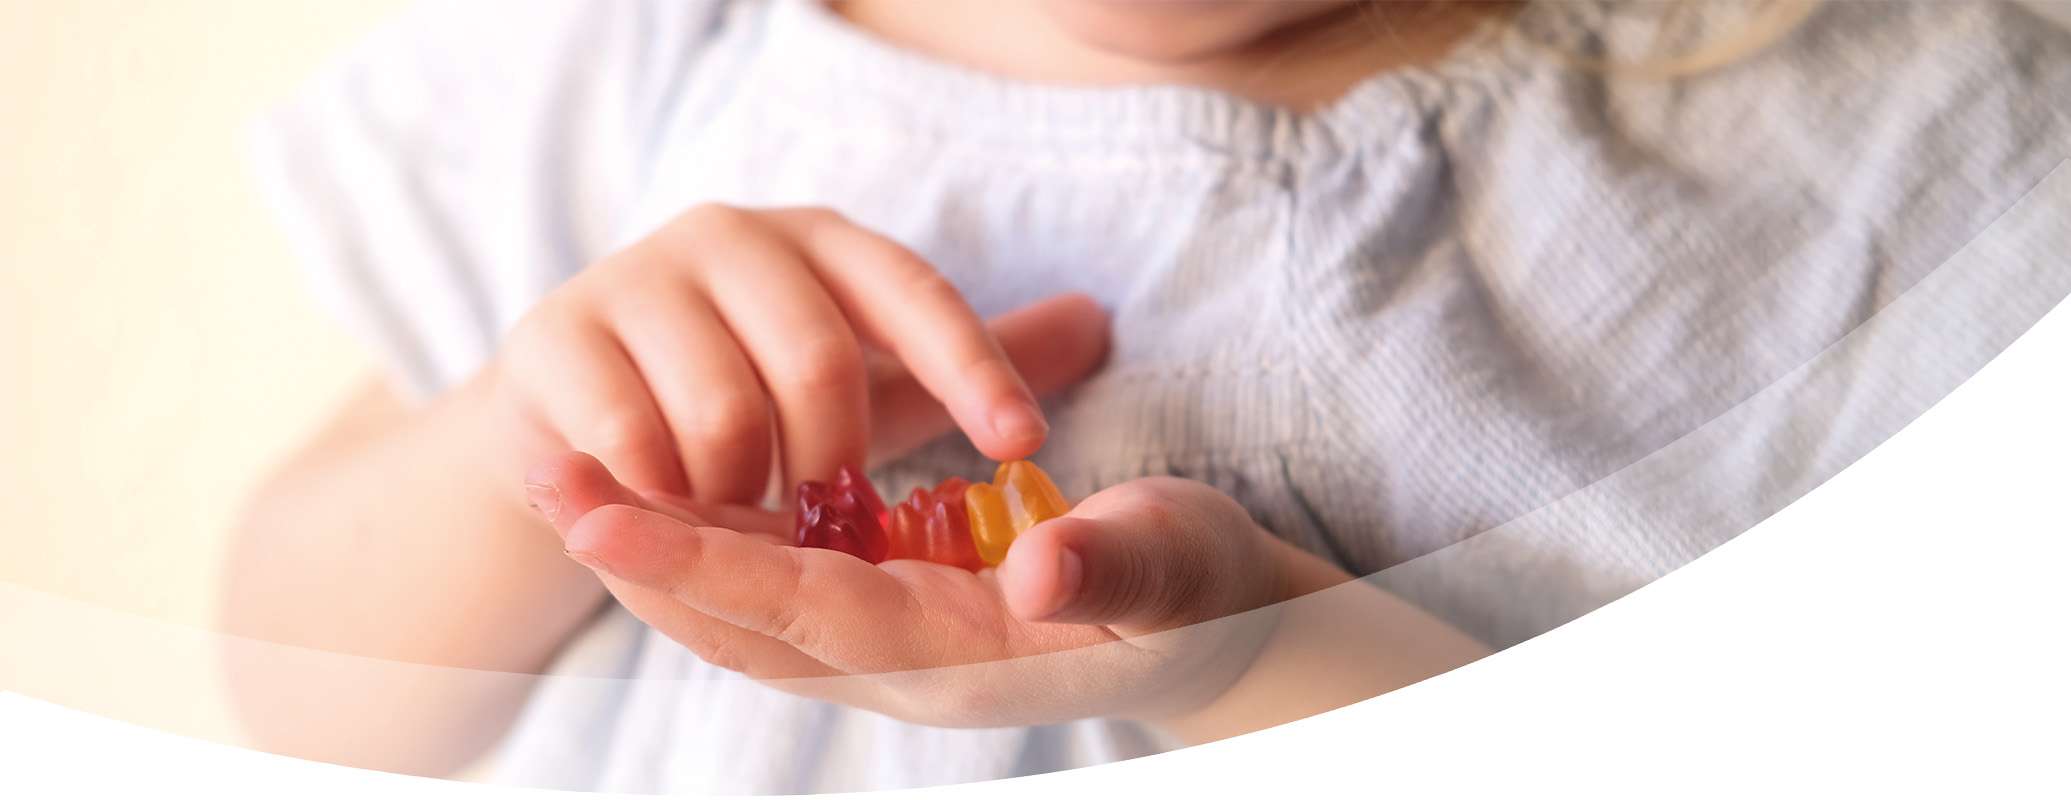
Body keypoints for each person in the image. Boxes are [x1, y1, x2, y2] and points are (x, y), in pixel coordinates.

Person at [220, 0, 2071, 793]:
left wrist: (1257, 657)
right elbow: (295, 683)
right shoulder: (629, 50)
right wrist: (529, 453)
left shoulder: (1882, 175)